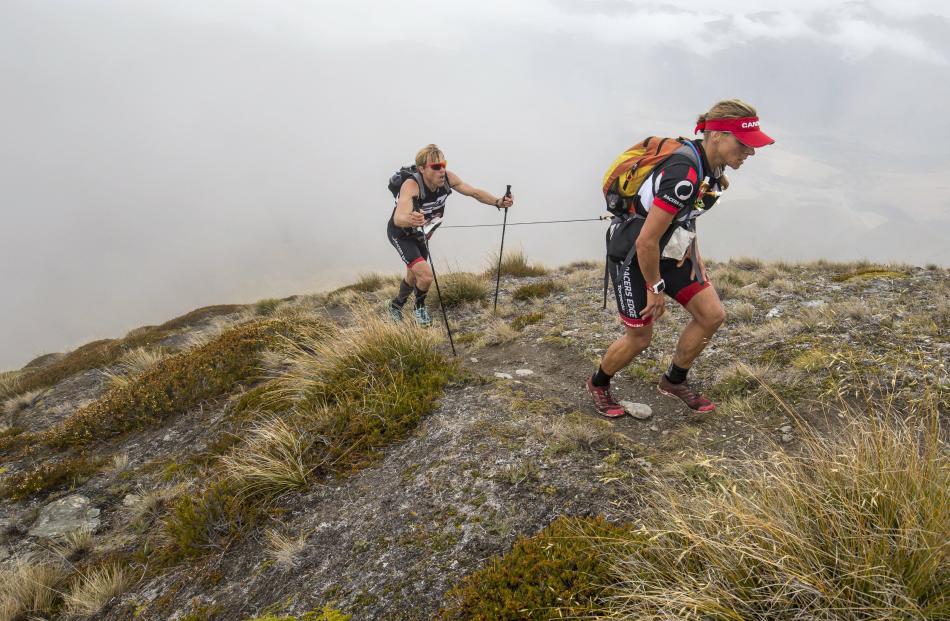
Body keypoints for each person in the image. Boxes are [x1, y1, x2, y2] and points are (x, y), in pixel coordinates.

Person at [587, 99, 774, 417]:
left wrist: (695, 256)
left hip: (670, 250)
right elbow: (646, 241)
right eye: (743, 144)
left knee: (712, 315)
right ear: (716, 135)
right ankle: (599, 384)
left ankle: (674, 381)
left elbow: (687, 214)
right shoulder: (683, 173)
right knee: (639, 337)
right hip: (634, 255)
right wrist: (655, 288)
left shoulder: (712, 169)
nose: (750, 152)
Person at [386, 144, 514, 326]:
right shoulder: (412, 185)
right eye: (436, 167)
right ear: (422, 169)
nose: (442, 170)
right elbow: (398, 218)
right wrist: (411, 219)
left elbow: (474, 192)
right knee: (426, 276)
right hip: (402, 234)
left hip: (423, 233)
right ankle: (419, 309)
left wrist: (498, 202)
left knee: (414, 276)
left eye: (443, 164)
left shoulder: (448, 178)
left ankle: (395, 306)